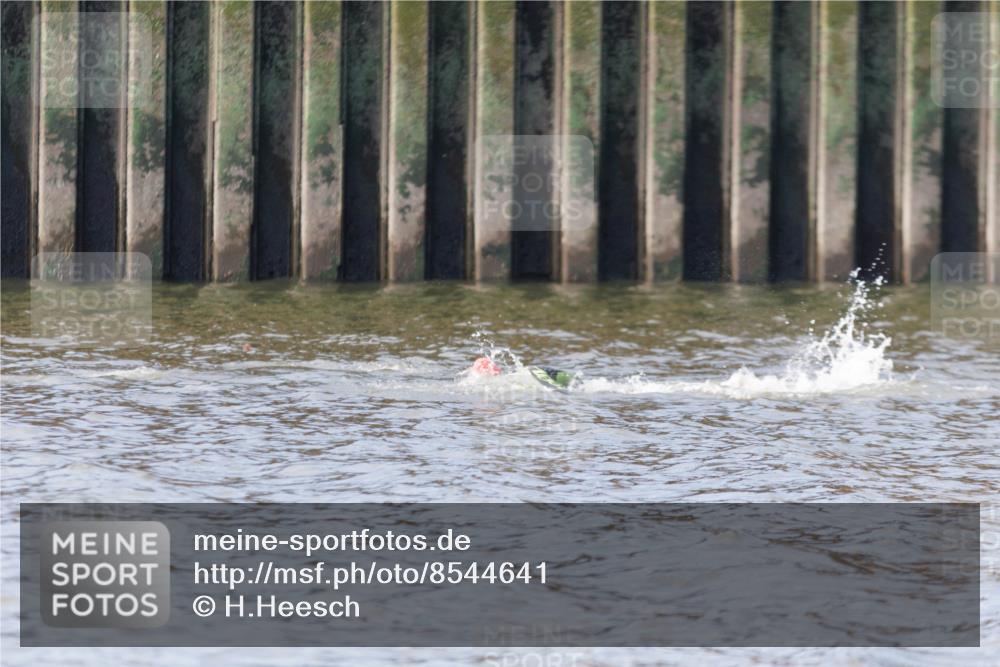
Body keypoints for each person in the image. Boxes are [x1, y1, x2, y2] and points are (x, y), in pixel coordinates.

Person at [470, 356, 575, 390]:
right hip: (565, 382)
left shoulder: (521, 373)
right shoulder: (508, 382)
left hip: (564, 379)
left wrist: (558, 390)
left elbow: (538, 373)